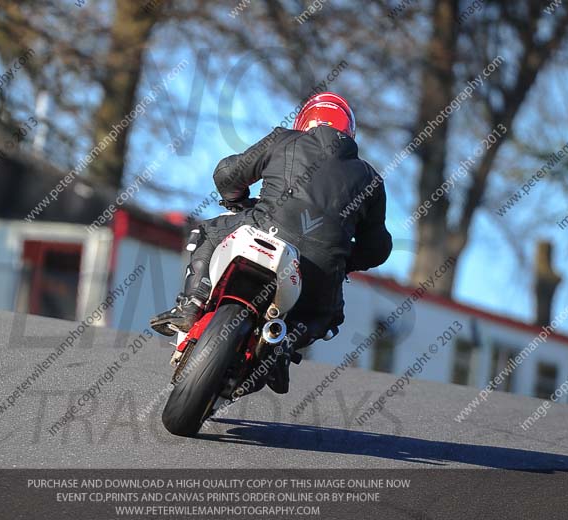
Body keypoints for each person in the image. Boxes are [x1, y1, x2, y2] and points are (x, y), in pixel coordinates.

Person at [150, 92, 392, 389]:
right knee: (328, 316)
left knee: (207, 232)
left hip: (264, 229)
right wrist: (342, 258)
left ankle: (192, 304)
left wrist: (236, 199)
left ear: (304, 122)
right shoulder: (370, 178)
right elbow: (377, 248)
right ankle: (284, 346)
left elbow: (227, 174)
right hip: (320, 269)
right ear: (349, 132)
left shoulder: (284, 139)